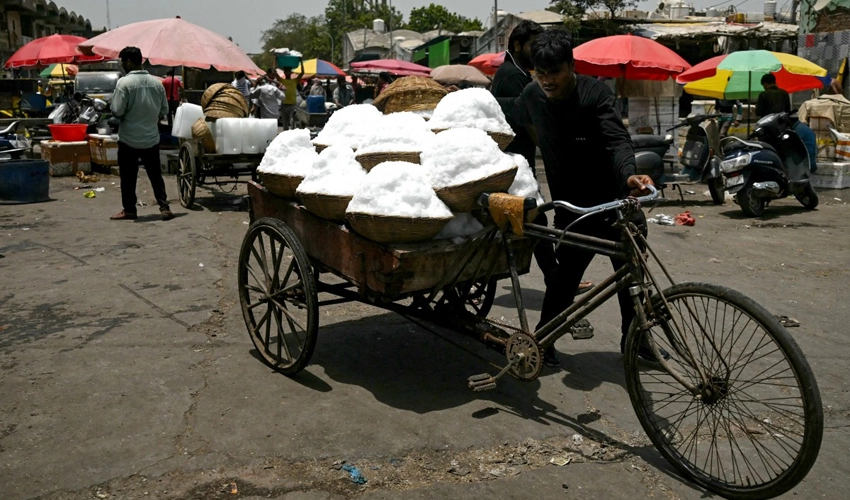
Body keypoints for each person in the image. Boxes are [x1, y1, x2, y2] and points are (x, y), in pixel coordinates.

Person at [512, 30, 656, 367]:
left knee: (631, 278)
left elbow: (616, 140)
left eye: (554, 73)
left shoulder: (595, 94)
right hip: (573, 209)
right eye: (540, 73)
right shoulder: (532, 96)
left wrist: (629, 173)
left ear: (571, 66)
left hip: (614, 204)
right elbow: (514, 125)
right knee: (564, 281)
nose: (547, 80)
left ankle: (636, 341)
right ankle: (543, 342)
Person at [491, 20, 593, 296]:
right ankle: (558, 279)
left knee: (536, 219)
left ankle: (557, 278)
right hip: (514, 161)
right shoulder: (513, 75)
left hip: (517, 160)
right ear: (516, 45)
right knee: (536, 219)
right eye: (533, 44)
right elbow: (529, 122)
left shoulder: (521, 72)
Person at [110, 46, 174, 221]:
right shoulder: (157, 83)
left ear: (129, 61)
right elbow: (164, 110)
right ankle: (164, 207)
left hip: (129, 138)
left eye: (123, 61)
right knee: (155, 175)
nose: (122, 65)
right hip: (151, 138)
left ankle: (130, 210)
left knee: (128, 177)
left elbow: (117, 110)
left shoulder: (124, 83)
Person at [279, 63, 304, 130]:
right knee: (285, 125)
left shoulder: (295, 81)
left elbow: (302, 73)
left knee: (292, 123)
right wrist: (275, 60)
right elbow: (274, 73)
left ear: (291, 72)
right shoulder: (282, 80)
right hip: (284, 105)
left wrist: (301, 62)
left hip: (292, 105)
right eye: (286, 71)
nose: (288, 72)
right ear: (284, 72)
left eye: (289, 71)